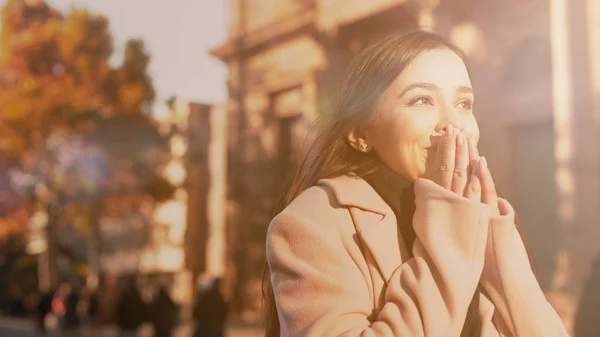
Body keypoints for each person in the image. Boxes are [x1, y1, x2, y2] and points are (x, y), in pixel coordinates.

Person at [263, 30, 569, 337]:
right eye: (422, 100)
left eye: (464, 103)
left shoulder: (483, 215)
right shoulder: (313, 222)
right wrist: (450, 236)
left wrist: (499, 253)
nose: (453, 123)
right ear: (361, 134)